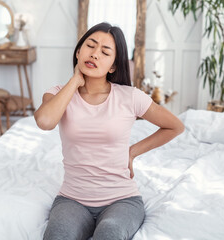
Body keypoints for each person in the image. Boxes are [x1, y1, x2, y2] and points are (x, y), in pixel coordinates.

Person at [34, 22, 185, 240]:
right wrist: (76, 80)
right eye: (90, 46)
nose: (95, 54)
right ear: (78, 51)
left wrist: (132, 152)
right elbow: (45, 121)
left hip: (122, 200)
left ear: (113, 66)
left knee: (109, 234)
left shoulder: (129, 96)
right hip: (72, 200)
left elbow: (175, 126)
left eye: (105, 52)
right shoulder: (58, 94)